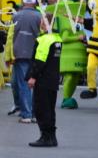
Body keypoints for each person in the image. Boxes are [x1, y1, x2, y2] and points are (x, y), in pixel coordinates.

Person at [27, 19, 62, 147]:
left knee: (41, 109)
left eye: (42, 22)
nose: (40, 24)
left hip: (43, 79)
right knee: (50, 109)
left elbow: (39, 60)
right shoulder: (57, 38)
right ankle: (52, 137)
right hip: (53, 79)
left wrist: (33, 77)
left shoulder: (44, 39)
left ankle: (45, 137)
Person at [13, 0, 41, 123]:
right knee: (35, 84)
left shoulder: (16, 16)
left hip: (20, 52)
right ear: (34, 3)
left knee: (24, 84)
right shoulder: (39, 16)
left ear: (23, 3)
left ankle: (26, 114)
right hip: (36, 53)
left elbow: (11, 36)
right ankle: (35, 114)